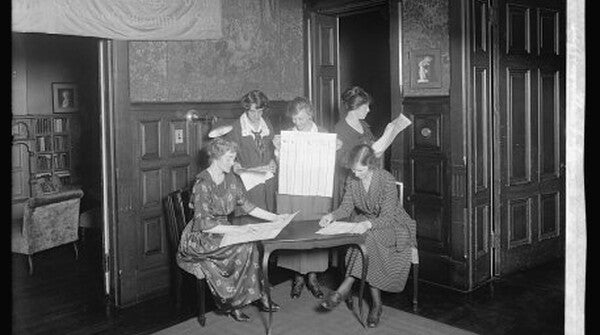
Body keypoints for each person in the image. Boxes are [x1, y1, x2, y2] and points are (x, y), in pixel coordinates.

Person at [177, 138, 287, 322]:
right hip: (200, 237)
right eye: (229, 158)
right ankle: (234, 303)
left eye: (234, 158)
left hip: (223, 229)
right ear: (215, 158)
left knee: (250, 245)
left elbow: (248, 206)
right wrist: (239, 231)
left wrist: (276, 217)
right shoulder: (202, 184)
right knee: (242, 248)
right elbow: (204, 224)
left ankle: (257, 296)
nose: (233, 163)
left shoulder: (231, 178)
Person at [318, 144, 416, 328]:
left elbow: (387, 217)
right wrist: (331, 216)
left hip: (393, 226)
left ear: (371, 165)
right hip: (368, 224)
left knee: (368, 239)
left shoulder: (386, 179)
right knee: (368, 243)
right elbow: (346, 207)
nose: (355, 174)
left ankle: (344, 289)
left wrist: (367, 224)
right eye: (353, 169)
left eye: (360, 170)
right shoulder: (352, 179)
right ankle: (376, 306)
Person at [273, 97, 336, 300]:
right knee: (295, 228)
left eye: (301, 118)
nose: (297, 123)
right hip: (293, 190)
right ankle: (297, 277)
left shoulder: (324, 134)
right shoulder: (288, 135)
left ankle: (313, 277)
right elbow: (281, 163)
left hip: (316, 190)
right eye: (295, 119)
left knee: (315, 229)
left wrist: (335, 148)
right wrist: (278, 149)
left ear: (310, 114)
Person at [225, 90, 278, 224]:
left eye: (260, 111)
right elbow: (229, 157)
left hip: (267, 184)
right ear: (246, 108)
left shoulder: (267, 125)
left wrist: (273, 160)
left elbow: (272, 150)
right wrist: (235, 165)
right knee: (250, 225)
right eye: (252, 111)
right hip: (248, 186)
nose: (256, 116)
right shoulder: (236, 128)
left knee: (268, 221)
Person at [333, 86, 380, 208]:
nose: (368, 110)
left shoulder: (363, 125)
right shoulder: (340, 129)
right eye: (365, 107)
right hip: (351, 182)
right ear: (355, 108)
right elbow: (342, 161)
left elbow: (372, 145)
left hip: (368, 178)